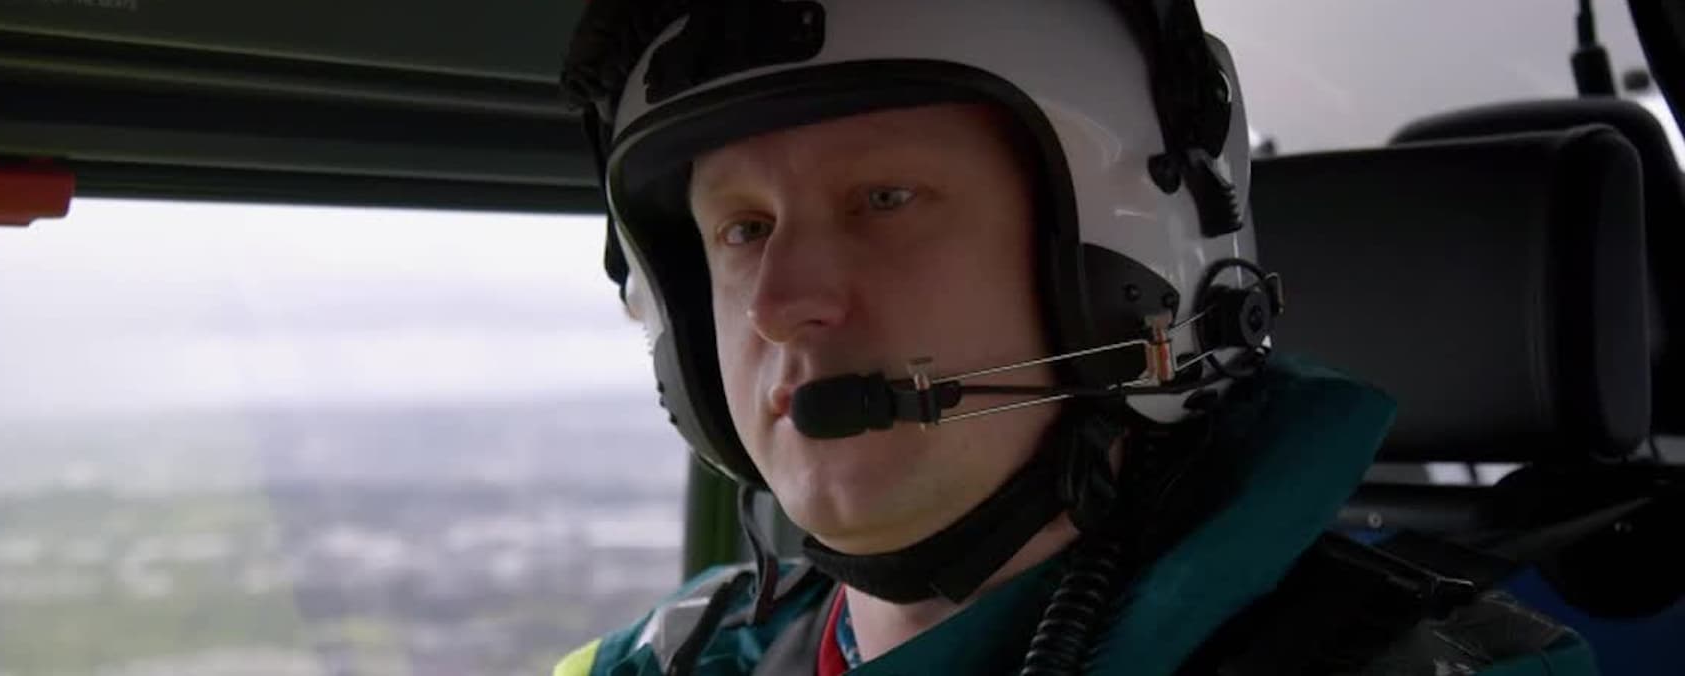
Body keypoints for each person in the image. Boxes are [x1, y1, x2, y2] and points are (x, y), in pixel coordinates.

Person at [553, 1, 1599, 674]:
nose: (778, 302)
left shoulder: (1425, 665)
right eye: (742, 230)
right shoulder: (670, 655)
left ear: (1120, 275)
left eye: (884, 198)